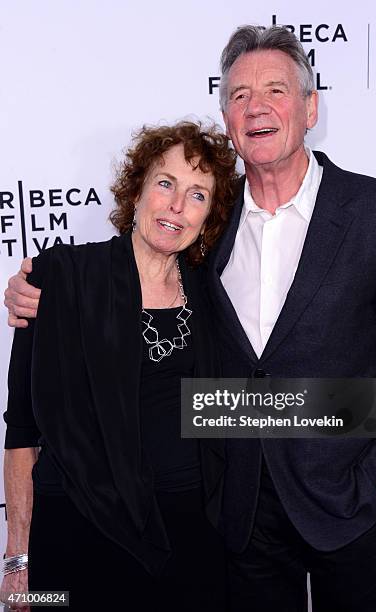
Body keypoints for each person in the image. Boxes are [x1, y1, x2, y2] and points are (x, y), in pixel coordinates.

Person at [5, 25, 376, 612]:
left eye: (276, 91)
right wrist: (34, 289)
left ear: (310, 107)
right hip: (235, 523)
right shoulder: (209, 228)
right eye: (238, 95)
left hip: (349, 510)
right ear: (228, 120)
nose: (256, 107)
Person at [1, 120, 237, 611]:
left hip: (191, 543)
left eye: (197, 195)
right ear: (136, 192)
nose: (176, 205)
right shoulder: (59, 277)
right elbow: (21, 431)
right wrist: (17, 563)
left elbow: (228, 409)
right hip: (73, 539)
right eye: (166, 183)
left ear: (208, 217)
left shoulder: (212, 293)